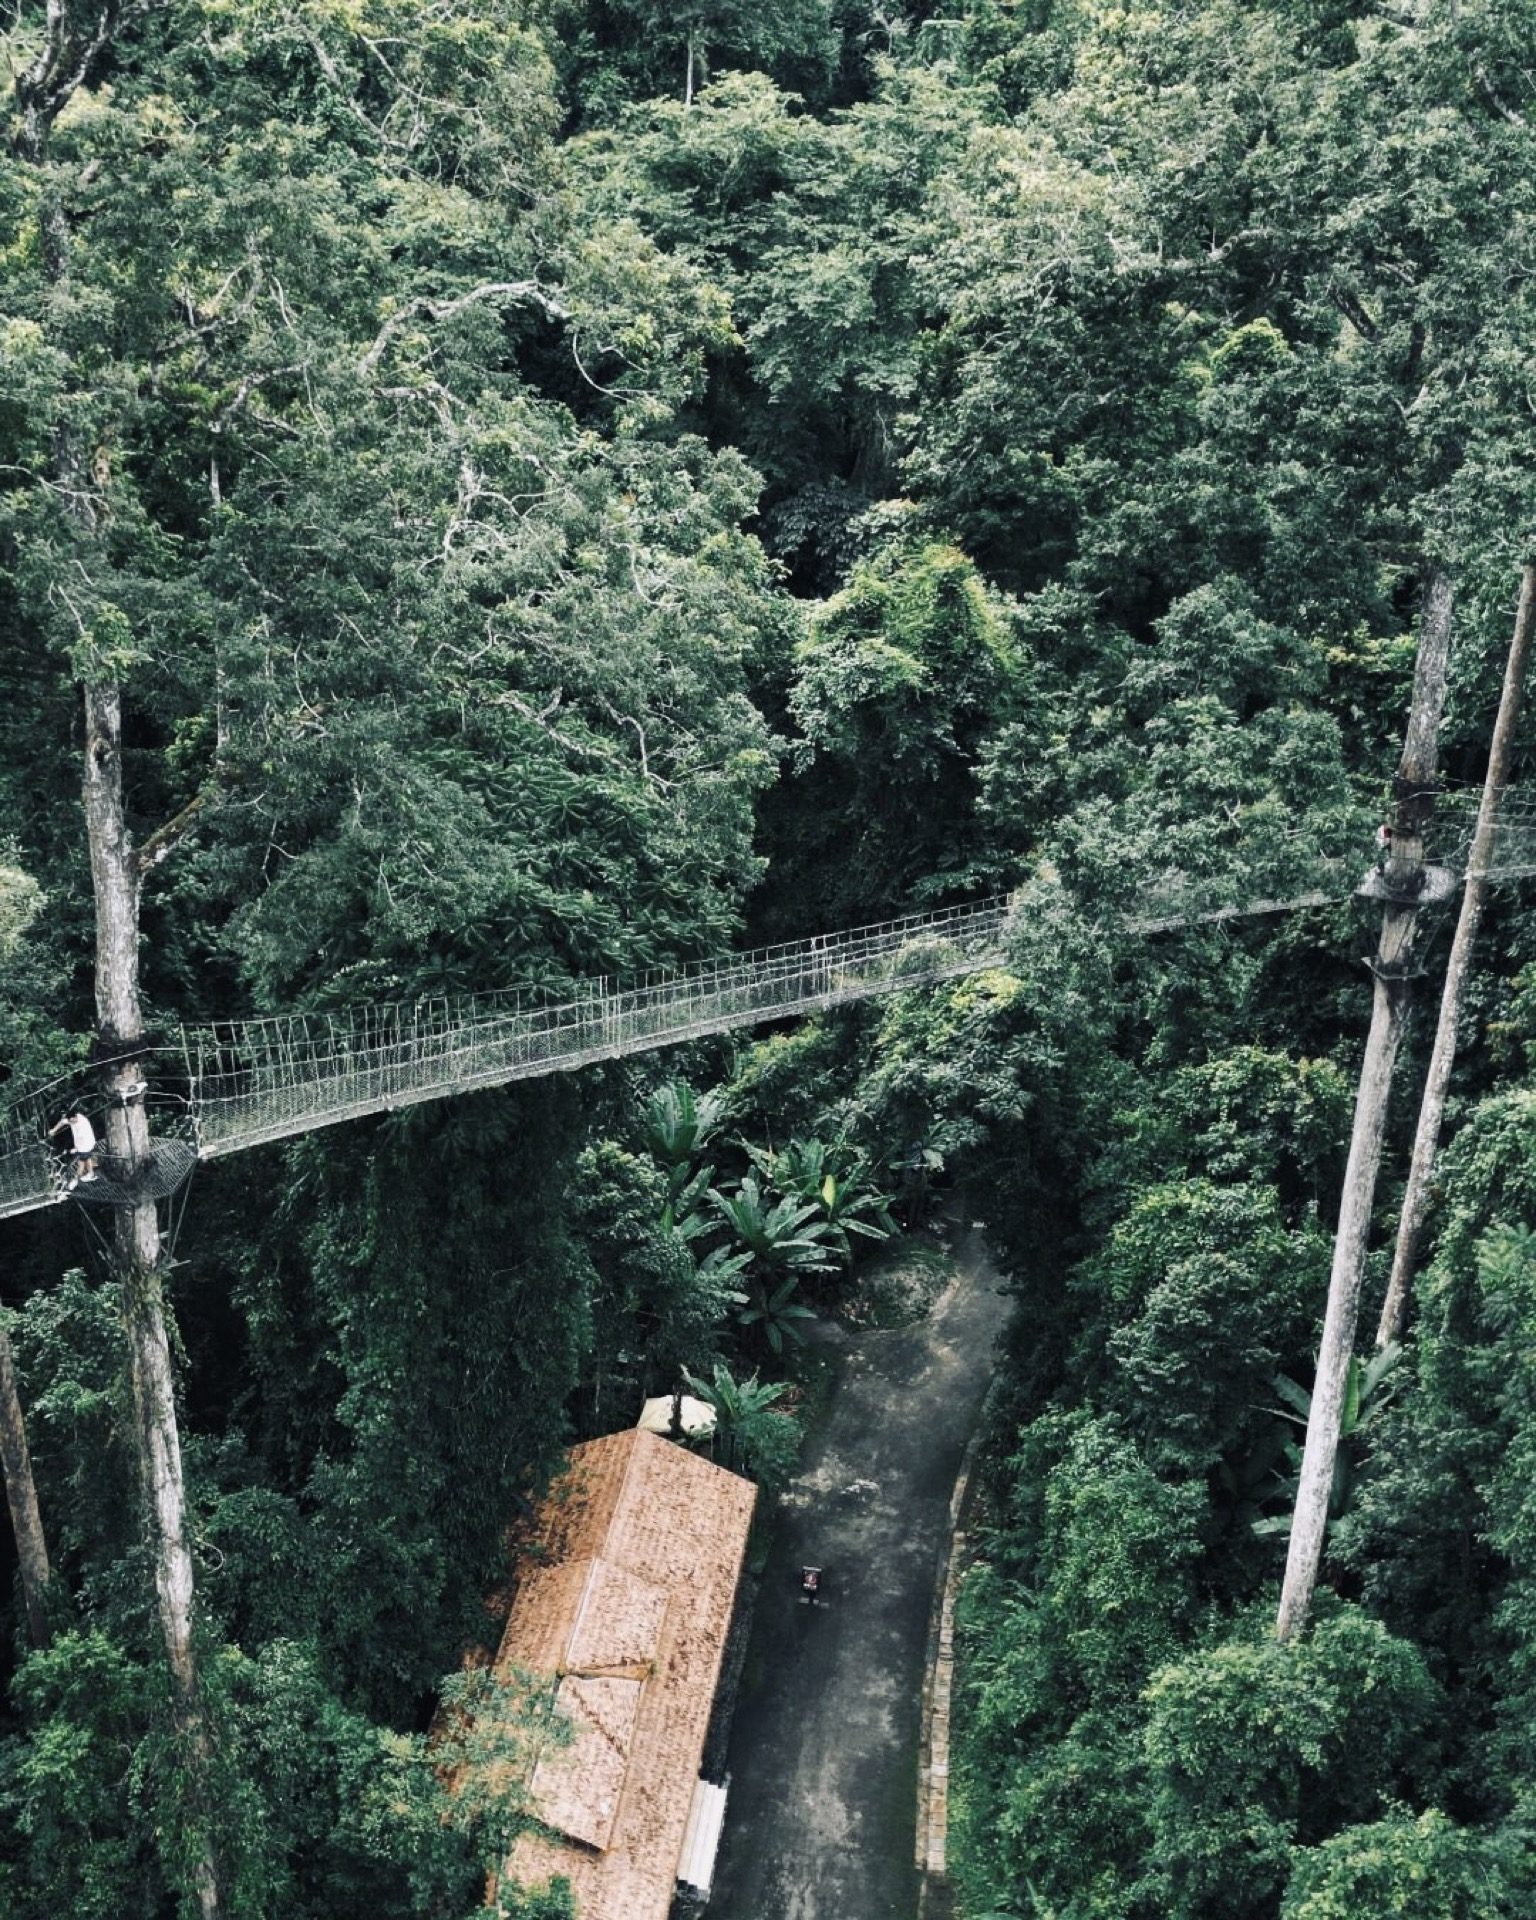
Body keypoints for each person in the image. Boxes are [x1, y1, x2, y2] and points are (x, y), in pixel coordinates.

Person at [48, 1109, 98, 1186]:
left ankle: (75, 1181)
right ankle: (91, 1174)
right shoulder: (72, 1118)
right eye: (70, 1121)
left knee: (81, 1164)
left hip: (86, 1144)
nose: (71, 1123)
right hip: (83, 1144)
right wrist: (54, 1130)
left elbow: (81, 1139)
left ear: (75, 1117)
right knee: (87, 1158)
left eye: (72, 1121)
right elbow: (62, 1122)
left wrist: (75, 1149)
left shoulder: (82, 1125)